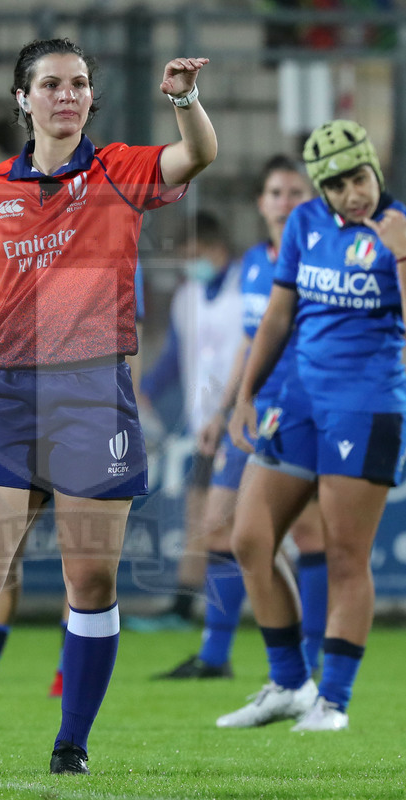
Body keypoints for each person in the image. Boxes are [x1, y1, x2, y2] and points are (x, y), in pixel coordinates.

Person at [0, 37, 217, 777]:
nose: (66, 95)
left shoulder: (120, 170)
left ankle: (72, 747)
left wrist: (184, 100)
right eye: (51, 85)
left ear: (90, 98)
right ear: (22, 98)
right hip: (5, 397)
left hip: (94, 395)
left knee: (88, 583)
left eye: (78, 84)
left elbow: (195, 156)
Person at [216, 120, 406, 732]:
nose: (355, 193)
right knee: (249, 538)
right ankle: (291, 682)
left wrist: (400, 251)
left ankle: (335, 702)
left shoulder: (400, 229)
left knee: (347, 555)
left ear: (376, 169)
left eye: (361, 177)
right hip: (296, 400)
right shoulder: (304, 225)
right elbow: (277, 316)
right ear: (320, 191)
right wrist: (246, 393)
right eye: (339, 184)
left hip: (365, 404)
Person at [155, 155, 328, 680]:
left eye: (295, 191)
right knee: (219, 528)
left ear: (311, 200)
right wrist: (231, 404)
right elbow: (251, 339)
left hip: (307, 410)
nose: (284, 201)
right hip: (258, 412)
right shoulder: (255, 263)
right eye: (276, 192)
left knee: (311, 535)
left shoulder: (323, 257)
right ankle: (215, 655)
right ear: (261, 202)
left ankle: (311, 658)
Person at [0, 260, 147, 700]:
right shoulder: (24, 240)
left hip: (87, 413)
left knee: (83, 563)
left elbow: (129, 340)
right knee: (3, 555)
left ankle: (68, 676)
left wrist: (127, 409)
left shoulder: (109, 247)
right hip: (18, 411)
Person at [124, 210, 244, 633]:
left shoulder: (247, 287)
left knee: (246, 525)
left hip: (244, 421)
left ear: (216, 249)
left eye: (194, 254)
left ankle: (272, 619)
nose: (189, 264)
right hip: (205, 423)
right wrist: (147, 391)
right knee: (200, 515)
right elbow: (177, 354)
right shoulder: (187, 296)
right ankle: (184, 607)